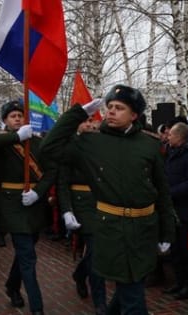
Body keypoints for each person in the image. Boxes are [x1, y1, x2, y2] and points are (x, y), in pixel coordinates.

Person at [40, 85, 177, 315]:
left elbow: (162, 191)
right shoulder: (90, 142)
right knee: (133, 296)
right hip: (111, 228)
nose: (111, 111)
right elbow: (47, 149)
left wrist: (167, 231)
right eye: (110, 106)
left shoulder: (150, 144)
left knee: (130, 288)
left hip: (144, 229)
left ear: (134, 115)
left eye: (119, 108)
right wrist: (76, 114)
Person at [0, 101, 55, 315]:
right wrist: (16, 137)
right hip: (11, 204)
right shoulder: (2, 142)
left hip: (33, 203)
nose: (17, 119)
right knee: (27, 254)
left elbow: (50, 171)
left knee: (26, 250)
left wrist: (38, 192)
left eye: (20, 115)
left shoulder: (37, 143)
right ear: (5, 120)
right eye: (12, 115)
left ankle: (12, 285)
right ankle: (37, 307)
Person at [57, 118, 107, 315]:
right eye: (85, 121)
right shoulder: (69, 147)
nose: (90, 125)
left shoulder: (104, 145)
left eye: (93, 121)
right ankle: (100, 301)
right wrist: (67, 210)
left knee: (98, 251)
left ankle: (79, 274)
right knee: (96, 251)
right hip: (82, 204)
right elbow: (62, 182)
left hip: (104, 203)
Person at [162, 122, 188, 300]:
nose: (167, 137)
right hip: (174, 210)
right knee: (176, 251)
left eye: (171, 134)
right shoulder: (173, 154)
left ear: (179, 137)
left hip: (187, 211)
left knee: (187, 252)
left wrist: (170, 193)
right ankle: (180, 283)